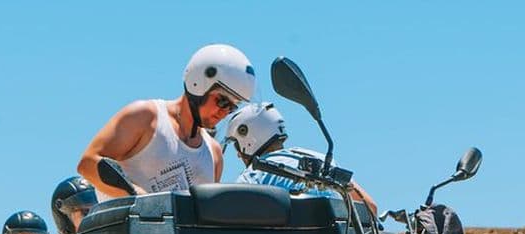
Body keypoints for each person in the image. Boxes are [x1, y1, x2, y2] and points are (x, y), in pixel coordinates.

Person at [78, 44, 256, 200]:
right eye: (222, 101)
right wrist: (137, 196)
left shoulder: (214, 154)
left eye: (233, 107)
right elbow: (88, 164)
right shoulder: (145, 117)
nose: (225, 112)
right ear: (198, 84)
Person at [225, 102, 378, 214]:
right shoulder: (321, 161)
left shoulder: (253, 176)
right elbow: (371, 207)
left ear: (248, 139)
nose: (238, 154)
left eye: (236, 146)